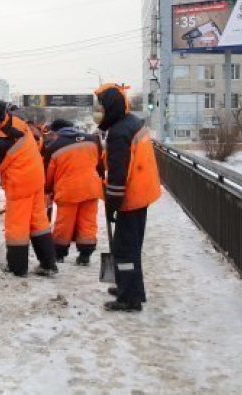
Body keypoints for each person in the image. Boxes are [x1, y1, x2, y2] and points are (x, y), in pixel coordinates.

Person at [93, 83, 161, 312]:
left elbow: (118, 176)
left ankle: (129, 298)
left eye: (101, 107)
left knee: (124, 249)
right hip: (142, 193)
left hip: (132, 198)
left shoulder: (119, 133)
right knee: (131, 245)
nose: (98, 111)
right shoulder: (131, 122)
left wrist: (112, 205)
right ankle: (127, 285)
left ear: (111, 107)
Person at [0, 100, 58, 277]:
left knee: (17, 226)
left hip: (20, 185)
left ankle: (18, 268)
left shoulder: (2, 141)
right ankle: (49, 264)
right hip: (36, 179)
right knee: (38, 224)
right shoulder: (17, 122)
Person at [44, 119, 104, 265]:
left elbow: (49, 172)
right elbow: (100, 164)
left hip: (68, 190)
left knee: (64, 224)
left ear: (57, 132)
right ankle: (85, 255)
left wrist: (48, 190)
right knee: (88, 222)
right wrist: (100, 178)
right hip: (91, 188)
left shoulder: (54, 146)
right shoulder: (92, 140)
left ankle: (59, 254)